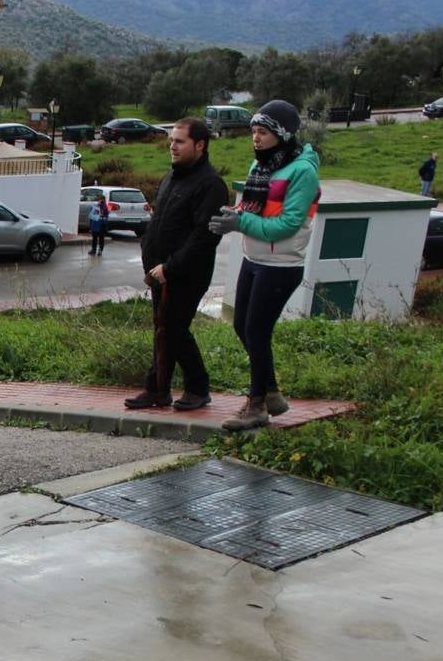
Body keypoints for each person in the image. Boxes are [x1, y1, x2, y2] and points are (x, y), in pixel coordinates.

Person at [208, 99, 321, 431]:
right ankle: (270, 392)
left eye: (263, 132)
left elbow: (287, 224)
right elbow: (251, 207)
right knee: (242, 326)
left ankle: (257, 405)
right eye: (253, 132)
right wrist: (235, 215)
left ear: (282, 134)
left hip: (282, 264)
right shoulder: (261, 166)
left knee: (257, 331)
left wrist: (240, 224)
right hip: (255, 258)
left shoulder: (302, 171)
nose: (255, 138)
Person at [124, 117, 229, 412]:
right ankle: (157, 390)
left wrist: (170, 267)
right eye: (171, 140)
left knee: (174, 329)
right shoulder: (171, 177)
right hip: (159, 272)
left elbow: (204, 237)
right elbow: (158, 222)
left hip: (187, 273)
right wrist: (149, 254)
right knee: (163, 329)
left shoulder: (211, 185)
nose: (172, 146)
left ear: (200, 145)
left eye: (179, 141)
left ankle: (198, 388)